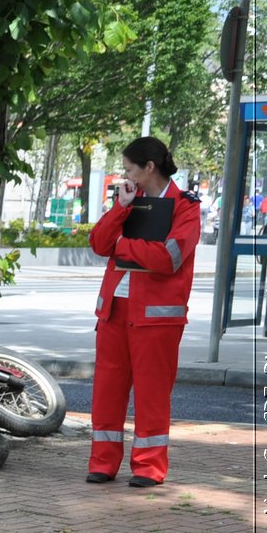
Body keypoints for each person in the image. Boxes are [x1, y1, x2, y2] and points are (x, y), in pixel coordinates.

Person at [86, 136, 199, 488]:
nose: (125, 175)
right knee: (107, 390)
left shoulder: (185, 206)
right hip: (115, 311)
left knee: (152, 394)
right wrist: (121, 208)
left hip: (156, 317)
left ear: (149, 167)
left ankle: (149, 467)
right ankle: (103, 463)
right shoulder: (128, 201)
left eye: (129, 168)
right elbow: (99, 243)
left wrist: (124, 246)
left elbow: (169, 258)